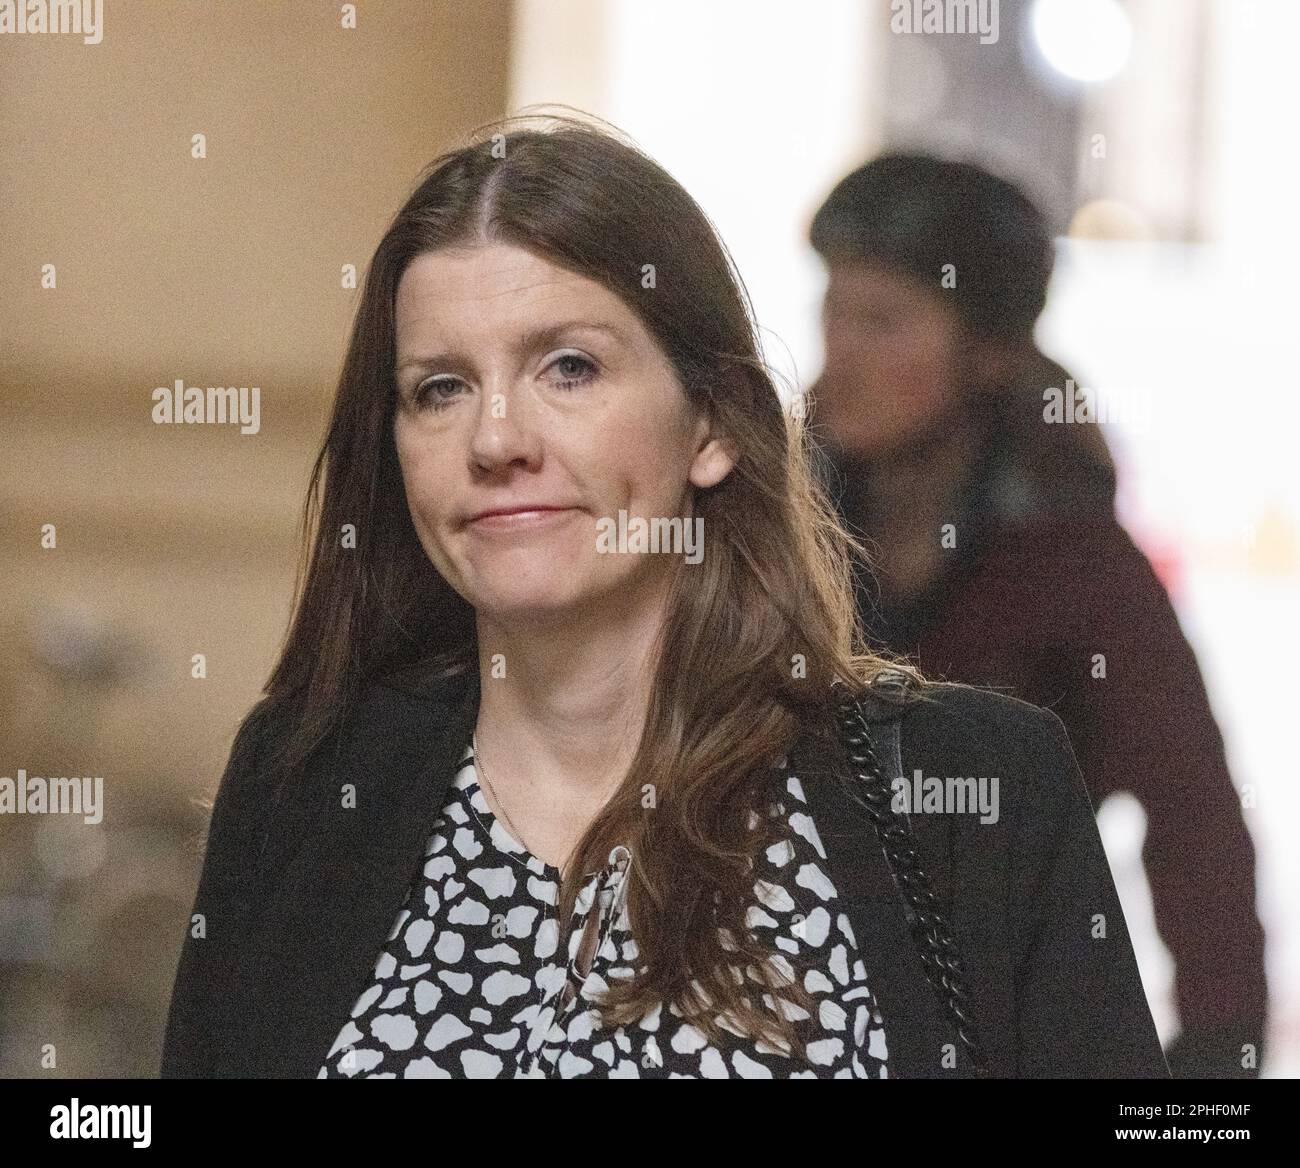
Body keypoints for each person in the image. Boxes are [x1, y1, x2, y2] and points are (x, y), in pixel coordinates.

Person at [160, 114, 1167, 1079]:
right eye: (440, 386)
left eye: (569, 367)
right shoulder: (305, 780)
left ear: (712, 428)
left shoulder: (975, 790)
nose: (496, 438)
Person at [807, 151, 1269, 1079]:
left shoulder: (1077, 563)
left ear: (988, 355)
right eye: (835, 311)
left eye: (885, 322)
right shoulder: (773, 518)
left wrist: (1217, 1063)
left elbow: (1198, 825)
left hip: (998, 1026)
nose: (841, 353)